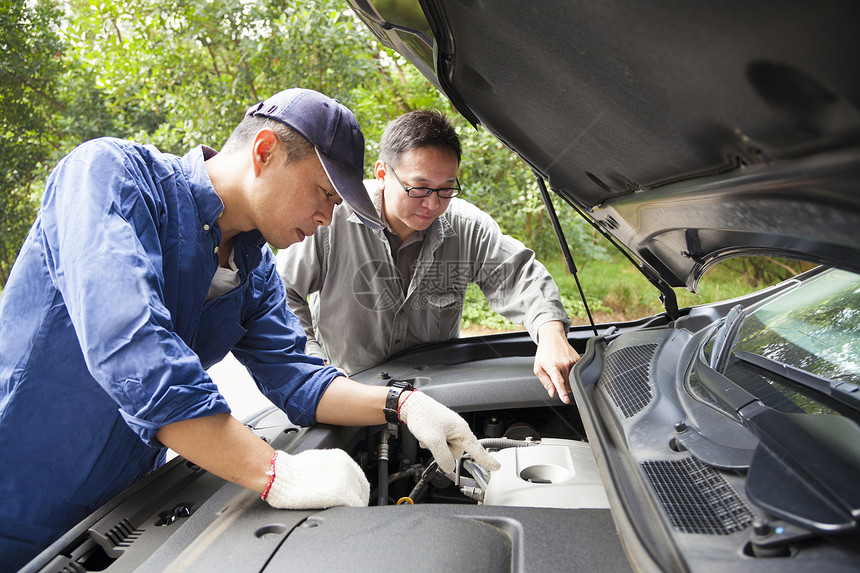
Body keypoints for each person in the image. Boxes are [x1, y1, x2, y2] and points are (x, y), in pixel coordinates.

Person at [0, 89, 498, 570]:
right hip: (14, 494)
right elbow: (134, 352)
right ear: (265, 152)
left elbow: (300, 380)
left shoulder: (253, 271)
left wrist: (402, 404)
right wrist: (274, 470)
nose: (328, 218)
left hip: (119, 515)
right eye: (324, 194)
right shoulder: (110, 176)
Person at [278, 110, 580, 403]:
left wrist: (551, 335)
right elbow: (284, 292)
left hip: (434, 396)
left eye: (446, 189)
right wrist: (316, 367)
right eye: (419, 188)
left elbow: (520, 277)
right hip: (350, 391)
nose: (433, 204)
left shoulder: (467, 228)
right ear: (382, 174)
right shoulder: (332, 218)